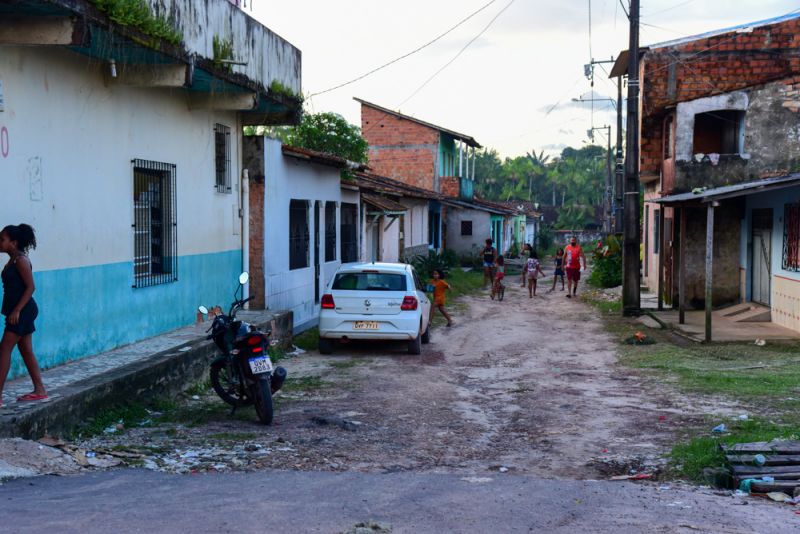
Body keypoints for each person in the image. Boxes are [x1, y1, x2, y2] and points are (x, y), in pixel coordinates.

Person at [0, 224, 47, 407]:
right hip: (18, 311)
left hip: (23, 311)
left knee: (4, 349)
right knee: (25, 349)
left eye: (2, 239)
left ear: (14, 242)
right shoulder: (12, 260)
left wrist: (17, 310)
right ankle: (40, 390)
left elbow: (30, 287)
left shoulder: (21, 260)